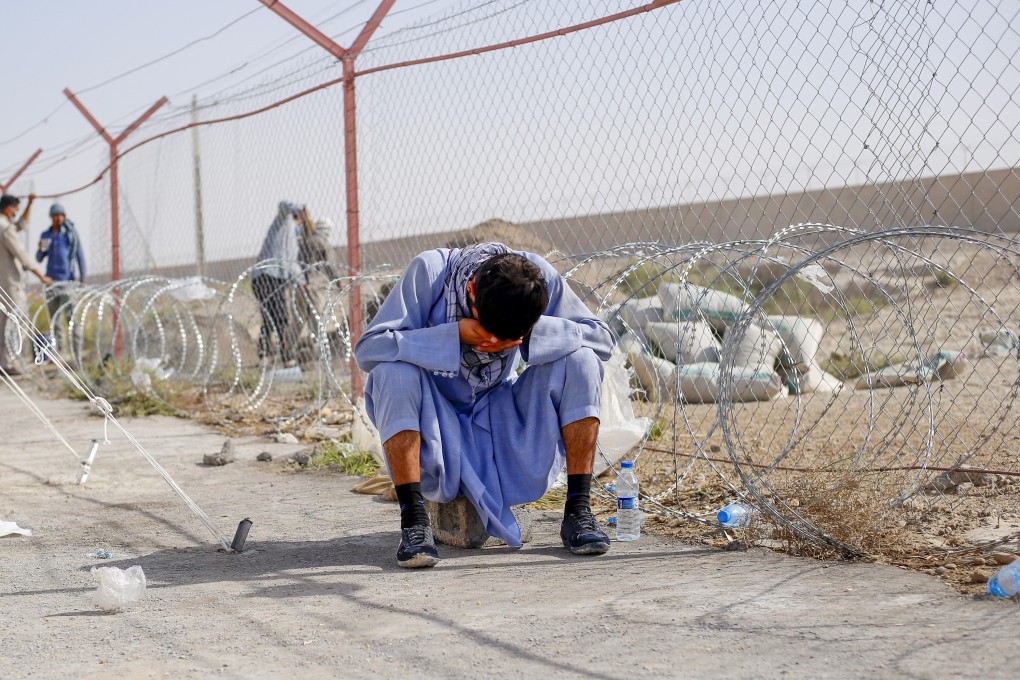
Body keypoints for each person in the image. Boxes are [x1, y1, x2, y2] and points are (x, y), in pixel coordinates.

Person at [354, 241, 615, 568]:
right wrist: (454, 336)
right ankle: (414, 522)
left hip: (500, 422)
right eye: (488, 335)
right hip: (436, 423)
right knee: (392, 372)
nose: (492, 347)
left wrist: (535, 331)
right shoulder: (433, 273)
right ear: (471, 289)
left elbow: (602, 339)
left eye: (503, 342)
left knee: (583, 362)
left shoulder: (535, 279)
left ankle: (578, 511)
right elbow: (368, 351)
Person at [0, 194, 52, 375]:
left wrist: (30, 204)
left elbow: (20, 225)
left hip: (2, 284)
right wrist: (41, 275)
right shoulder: (5, 229)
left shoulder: (4, 226)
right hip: (11, 283)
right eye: (15, 208)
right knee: (18, 322)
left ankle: (4, 363)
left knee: (3, 324)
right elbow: (22, 255)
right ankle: (9, 363)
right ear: (8, 208)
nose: (17, 212)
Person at [253, 201, 307, 366]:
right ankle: (287, 357)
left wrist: (303, 282)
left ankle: (264, 355)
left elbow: (292, 264)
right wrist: (298, 208)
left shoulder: (292, 243)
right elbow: (283, 205)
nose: (301, 228)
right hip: (266, 276)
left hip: (273, 278)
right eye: (301, 224)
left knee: (269, 318)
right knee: (280, 317)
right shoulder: (284, 223)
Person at [36, 203, 86, 347]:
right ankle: (60, 352)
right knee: (55, 320)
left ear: (64, 217)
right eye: (55, 216)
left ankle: (77, 351)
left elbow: (79, 255)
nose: (57, 218)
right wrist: (40, 249)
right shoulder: (47, 236)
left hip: (66, 281)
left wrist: (82, 277)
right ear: (51, 218)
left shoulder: (69, 235)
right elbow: (39, 257)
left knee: (71, 318)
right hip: (51, 281)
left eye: (60, 215)